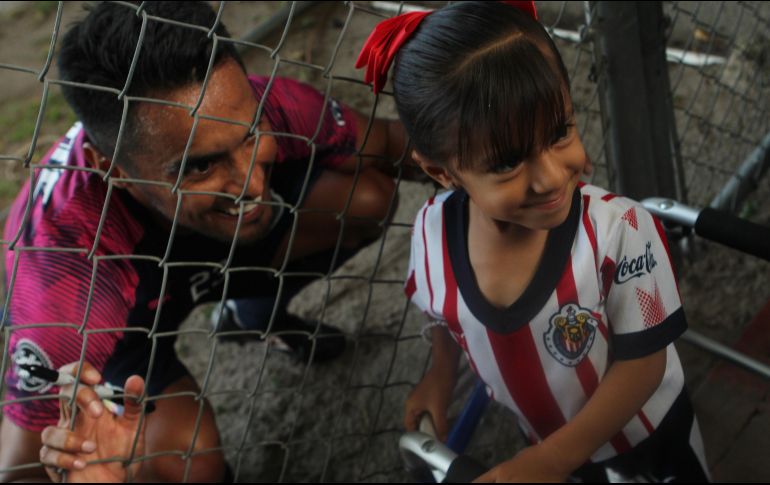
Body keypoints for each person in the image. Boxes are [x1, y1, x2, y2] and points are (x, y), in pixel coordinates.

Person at [0, 1, 410, 482]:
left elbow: (391, 143)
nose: (254, 183)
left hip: (200, 231)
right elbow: (19, 470)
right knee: (189, 464)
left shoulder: (249, 104)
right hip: (124, 317)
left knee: (365, 198)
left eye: (252, 132)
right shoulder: (63, 291)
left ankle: (252, 313)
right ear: (112, 170)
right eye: (201, 165)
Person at [356, 1, 710, 482]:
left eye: (560, 132)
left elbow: (644, 365)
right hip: (547, 452)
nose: (548, 178)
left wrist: (552, 459)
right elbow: (444, 312)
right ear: (441, 172)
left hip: (648, 442)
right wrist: (440, 375)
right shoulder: (431, 232)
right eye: (507, 163)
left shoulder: (619, 231)